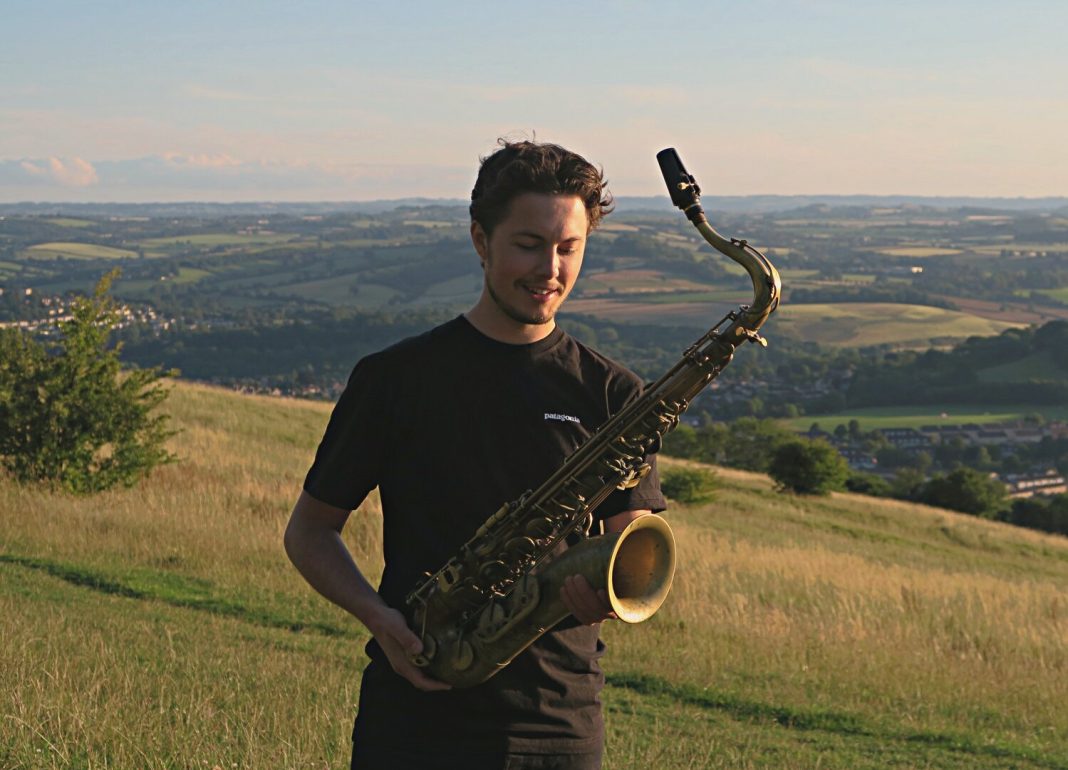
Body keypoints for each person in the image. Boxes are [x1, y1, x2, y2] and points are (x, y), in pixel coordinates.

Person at [284, 139, 665, 770]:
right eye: (528, 243)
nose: (550, 268)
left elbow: (633, 541)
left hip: (559, 726)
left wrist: (608, 586)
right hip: (414, 717)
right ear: (480, 241)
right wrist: (379, 619)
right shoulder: (394, 379)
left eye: (569, 248)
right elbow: (310, 532)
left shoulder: (613, 392)